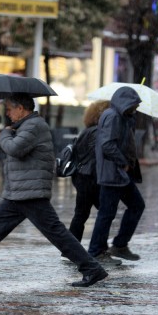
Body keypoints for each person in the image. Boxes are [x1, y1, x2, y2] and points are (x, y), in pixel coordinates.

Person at [0, 93, 108, 287]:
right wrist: (1, 138)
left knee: (57, 233)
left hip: (31, 191)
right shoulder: (23, 126)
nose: (8, 114)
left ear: (21, 108)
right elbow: (13, 147)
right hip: (19, 191)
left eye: (10, 109)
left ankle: (92, 269)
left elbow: (15, 148)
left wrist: (3, 134)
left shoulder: (35, 125)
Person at [87, 86, 145, 263]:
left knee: (136, 206)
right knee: (107, 212)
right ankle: (96, 251)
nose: (135, 108)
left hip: (119, 174)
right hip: (112, 173)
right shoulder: (112, 116)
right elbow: (107, 145)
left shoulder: (123, 117)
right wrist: (123, 162)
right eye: (133, 105)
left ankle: (119, 245)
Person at [66, 100, 110, 244]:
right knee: (106, 213)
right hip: (91, 179)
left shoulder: (87, 131)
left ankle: (70, 250)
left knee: (81, 214)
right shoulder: (98, 132)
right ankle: (98, 248)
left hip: (82, 177)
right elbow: (96, 157)